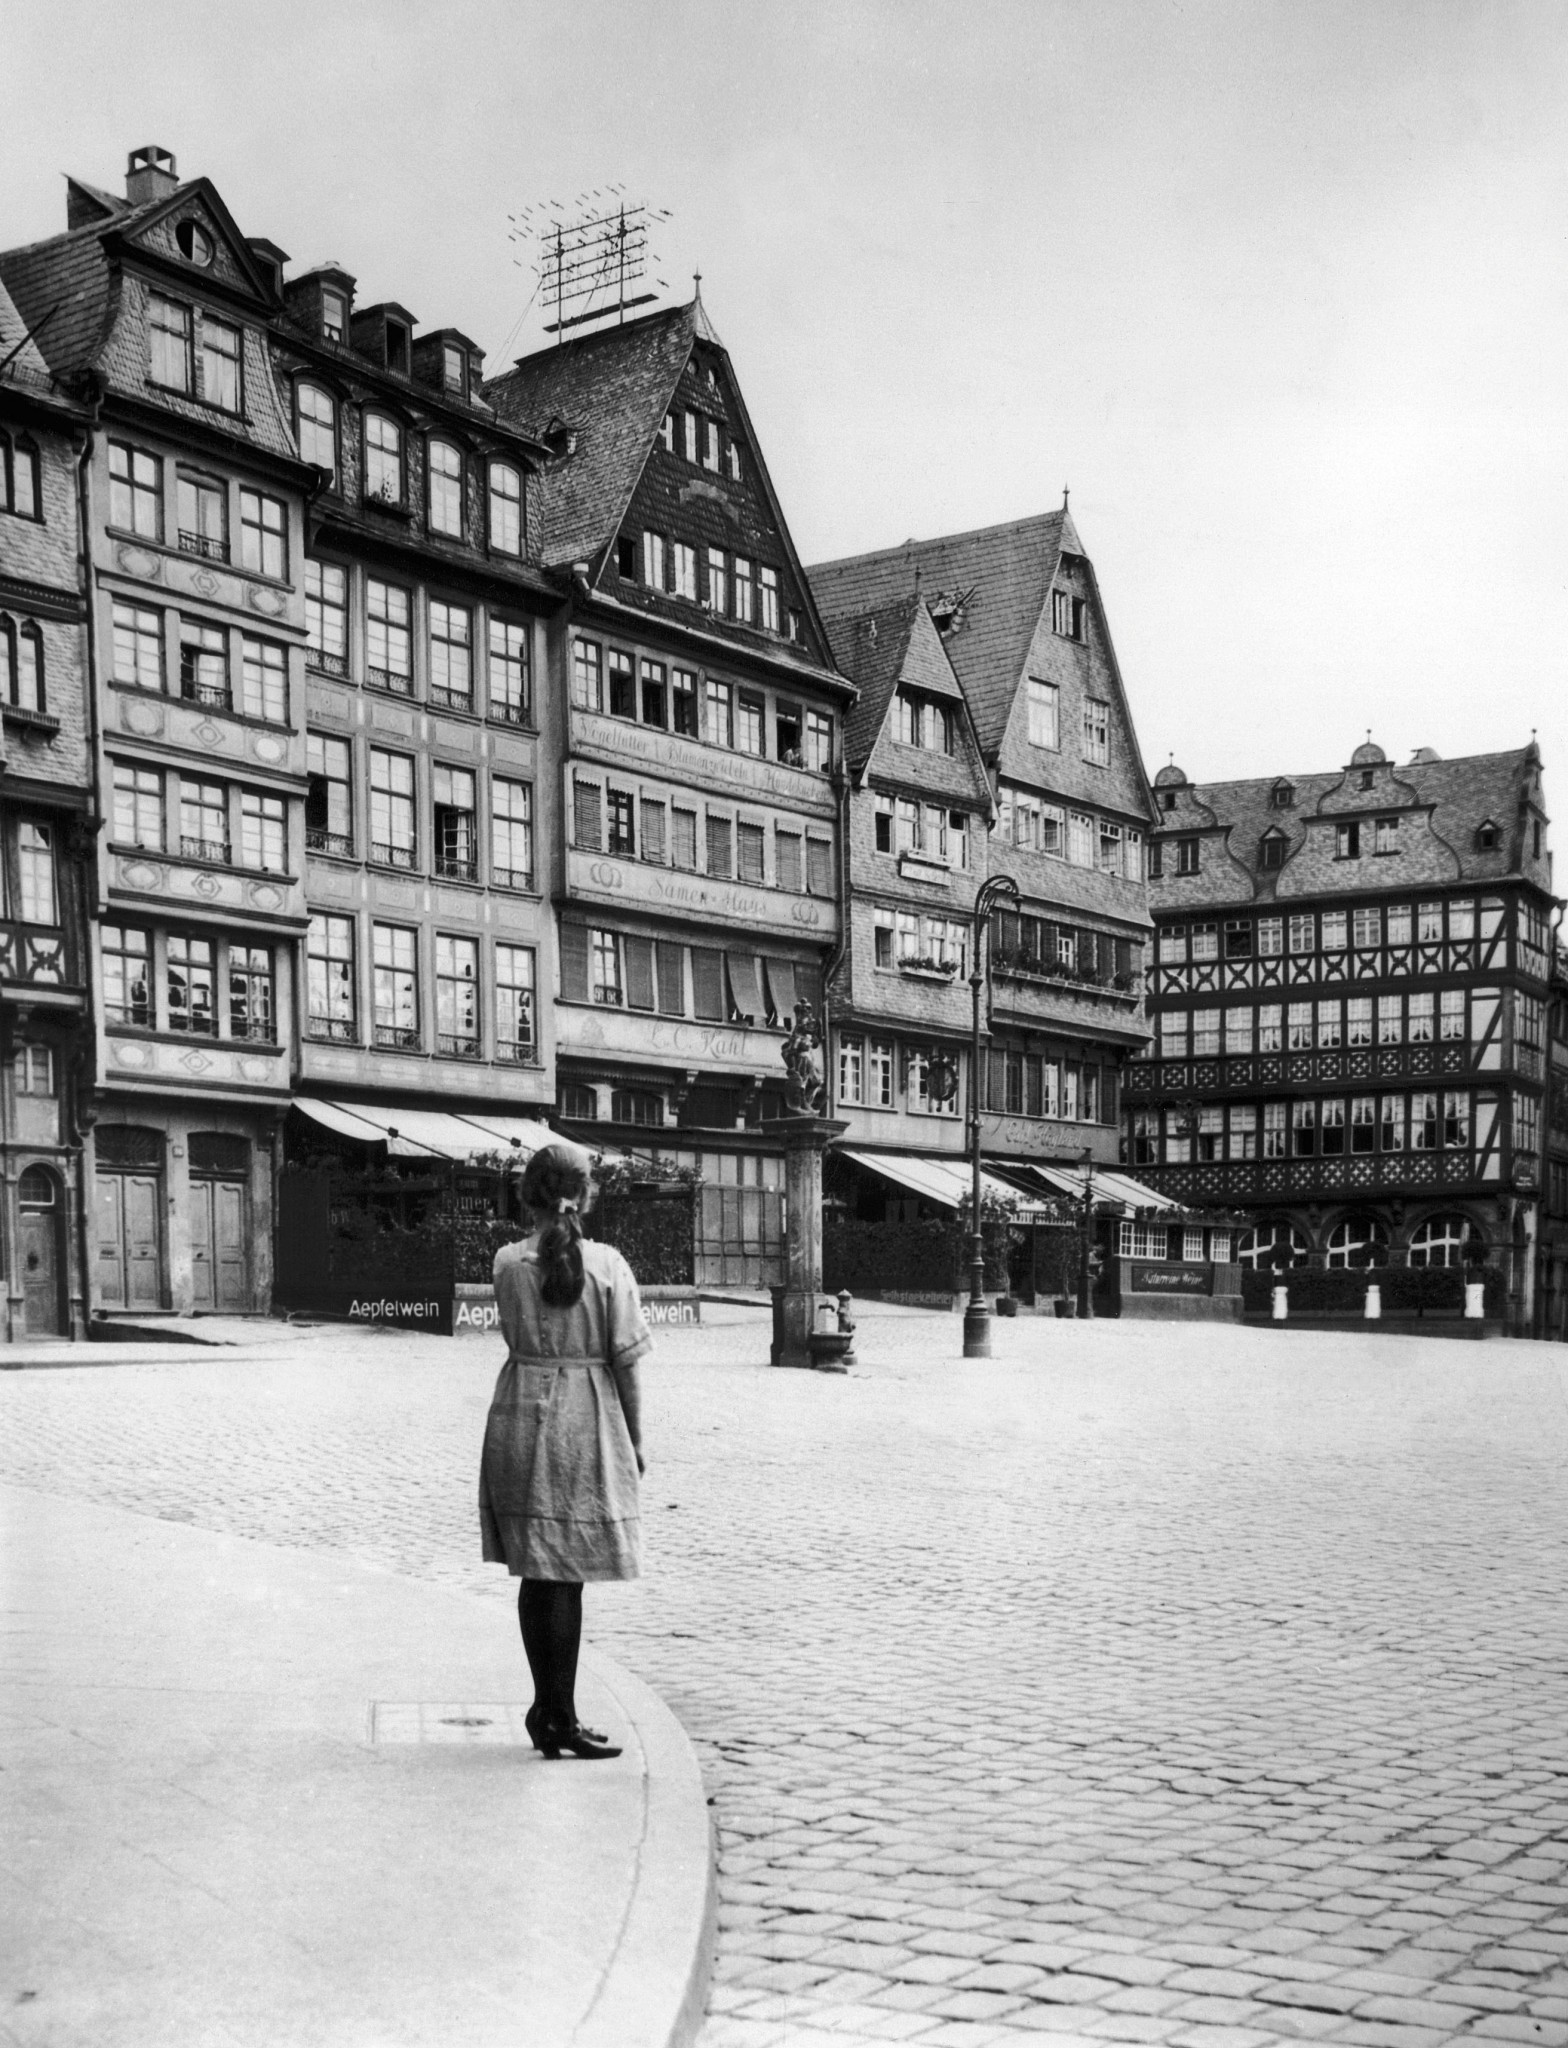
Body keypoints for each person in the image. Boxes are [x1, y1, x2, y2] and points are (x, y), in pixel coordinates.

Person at [479, 1141, 650, 1760]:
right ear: (584, 1195)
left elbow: (513, 1326)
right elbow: (627, 1361)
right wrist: (636, 1439)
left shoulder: (506, 1262)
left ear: (528, 1196)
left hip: (519, 1414)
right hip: (584, 1417)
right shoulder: (607, 1265)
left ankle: (552, 1712)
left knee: (539, 1568)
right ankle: (557, 1716)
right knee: (567, 1574)